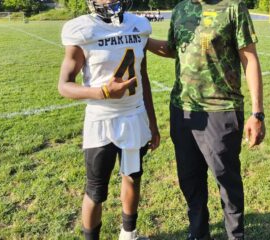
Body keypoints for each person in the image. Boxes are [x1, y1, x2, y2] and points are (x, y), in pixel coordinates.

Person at [147, 0, 265, 239]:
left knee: (226, 180)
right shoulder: (181, 9)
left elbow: (249, 59)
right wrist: (143, 41)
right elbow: (173, 48)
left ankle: (235, 234)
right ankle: (198, 232)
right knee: (189, 179)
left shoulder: (233, 8)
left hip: (221, 110)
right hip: (183, 110)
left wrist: (257, 112)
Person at [58, 0, 160, 239]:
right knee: (95, 190)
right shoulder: (82, 29)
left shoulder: (139, 25)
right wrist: (102, 92)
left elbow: (142, 76)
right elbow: (64, 85)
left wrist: (152, 123)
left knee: (132, 177)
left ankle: (129, 233)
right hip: (101, 121)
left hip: (134, 118)